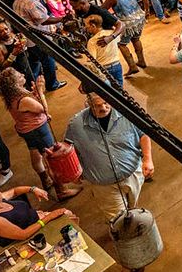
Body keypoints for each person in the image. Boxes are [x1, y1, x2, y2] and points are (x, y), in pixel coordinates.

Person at [65, 90, 155, 224]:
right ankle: (127, 241)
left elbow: (143, 134)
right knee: (120, 222)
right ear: (88, 104)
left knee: (133, 209)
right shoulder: (76, 125)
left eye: (106, 103)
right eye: (97, 105)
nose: (103, 108)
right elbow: (67, 149)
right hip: (104, 186)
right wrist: (73, 172)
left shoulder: (127, 114)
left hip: (133, 176)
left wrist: (147, 159)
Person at [0, 67, 80, 200]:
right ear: (14, 82)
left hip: (26, 130)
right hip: (37, 130)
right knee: (52, 158)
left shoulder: (12, 96)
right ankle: (62, 190)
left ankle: (45, 180)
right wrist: (41, 91)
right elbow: (42, 108)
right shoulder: (22, 99)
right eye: (19, 75)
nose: (23, 74)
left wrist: (35, 93)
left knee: (35, 153)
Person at [0, 183, 76, 247]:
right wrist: (49, 217)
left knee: (69, 215)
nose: (0, 191)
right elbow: (23, 234)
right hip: (30, 238)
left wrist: (33, 189)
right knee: (69, 220)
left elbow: (15, 191)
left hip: (38, 219)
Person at [12, 0, 66, 91]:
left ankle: (33, 85)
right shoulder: (32, 2)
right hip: (38, 37)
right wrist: (62, 19)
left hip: (28, 38)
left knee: (34, 62)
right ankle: (52, 84)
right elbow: (43, 20)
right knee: (48, 60)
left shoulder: (18, 0)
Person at [102, 0, 150, 75]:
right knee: (136, 39)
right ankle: (141, 61)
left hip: (127, 24)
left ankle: (132, 66)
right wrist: (147, 12)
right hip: (139, 19)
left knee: (122, 44)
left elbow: (102, 10)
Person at [0, 21, 43, 105]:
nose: (5, 32)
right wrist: (13, 54)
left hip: (27, 70)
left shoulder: (15, 37)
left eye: (6, 29)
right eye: (1, 31)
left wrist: (24, 42)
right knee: (25, 98)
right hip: (16, 77)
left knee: (34, 90)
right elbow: (2, 67)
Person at [84, 14, 125, 88]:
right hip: (117, 66)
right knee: (120, 89)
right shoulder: (111, 33)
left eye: (87, 27)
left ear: (93, 26)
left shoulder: (92, 41)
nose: (86, 29)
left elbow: (92, 60)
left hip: (104, 70)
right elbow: (121, 33)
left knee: (109, 92)